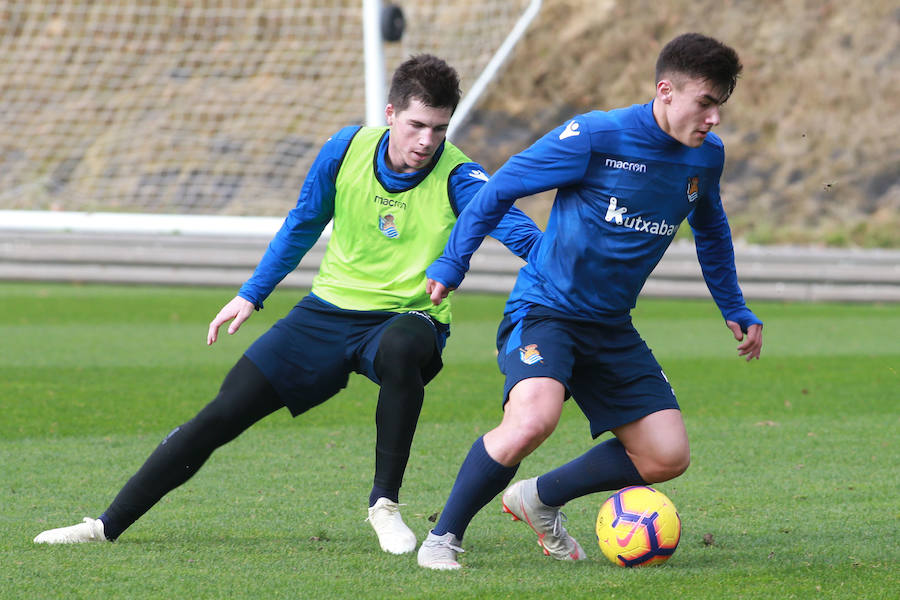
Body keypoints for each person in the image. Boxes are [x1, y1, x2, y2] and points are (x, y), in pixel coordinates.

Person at [33, 54, 541, 555]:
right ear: (390, 115)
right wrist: (251, 294)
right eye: (416, 125)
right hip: (325, 313)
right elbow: (303, 223)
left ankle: (384, 505)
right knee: (220, 414)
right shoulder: (345, 149)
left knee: (404, 346)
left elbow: (519, 231)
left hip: (406, 317)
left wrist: (575, 275)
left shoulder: (458, 175)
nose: (427, 140)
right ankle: (105, 525)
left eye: (439, 128)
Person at [416, 33, 764, 570]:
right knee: (534, 419)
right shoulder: (597, 136)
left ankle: (538, 498)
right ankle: (443, 537)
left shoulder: (705, 158)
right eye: (706, 102)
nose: (715, 118)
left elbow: (712, 230)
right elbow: (500, 187)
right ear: (665, 90)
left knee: (667, 455)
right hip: (546, 309)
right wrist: (452, 261)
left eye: (720, 105)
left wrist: (733, 306)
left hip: (610, 325)